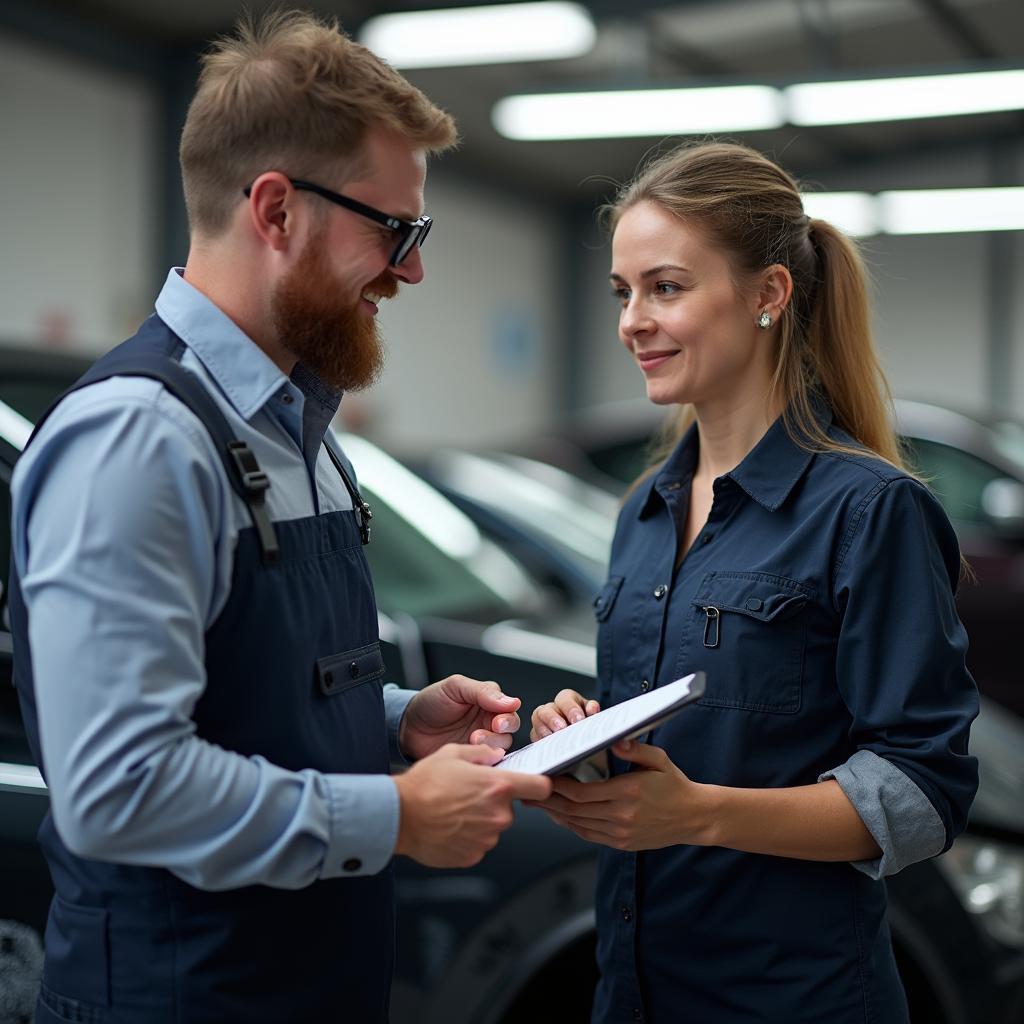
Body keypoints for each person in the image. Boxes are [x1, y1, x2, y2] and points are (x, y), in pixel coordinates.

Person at [8, 11, 550, 1023]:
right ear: (275, 210)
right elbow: (118, 785)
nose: (411, 269)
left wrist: (392, 721)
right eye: (397, 229)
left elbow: (247, 698)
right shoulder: (139, 442)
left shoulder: (299, 430)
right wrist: (392, 814)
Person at [529, 141, 978, 1024]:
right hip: (633, 991)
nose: (632, 322)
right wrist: (577, 734)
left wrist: (696, 814)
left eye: (666, 287)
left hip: (793, 999)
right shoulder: (642, 512)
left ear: (769, 294)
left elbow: (923, 793)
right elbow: (663, 737)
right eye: (623, 293)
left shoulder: (869, 510)